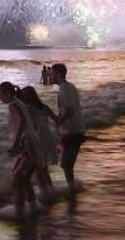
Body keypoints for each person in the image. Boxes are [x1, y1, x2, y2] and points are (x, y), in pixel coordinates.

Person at [0, 81, 40, 218]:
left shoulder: (13, 105)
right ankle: (32, 209)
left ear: (8, 93)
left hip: (25, 144)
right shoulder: (19, 103)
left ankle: (20, 212)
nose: (0, 97)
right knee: (24, 179)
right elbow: (29, 123)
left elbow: (21, 120)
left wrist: (16, 142)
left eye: (1, 94)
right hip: (30, 143)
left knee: (18, 179)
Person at [51, 62, 86, 198]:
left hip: (72, 131)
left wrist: (59, 122)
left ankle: (71, 191)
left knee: (66, 164)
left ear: (59, 74)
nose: (50, 76)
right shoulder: (70, 87)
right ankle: (72, 188)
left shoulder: (64, 88)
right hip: (75, 129)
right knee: (67, 164)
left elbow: (69, 110)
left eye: (52, 73)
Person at [16, 85, 59, 191]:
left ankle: (45, 192)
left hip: (37, 139)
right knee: (43, 168)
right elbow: (56, 119)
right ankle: (49, 190)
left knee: (39, 169)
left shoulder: (28, 108)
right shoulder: (44, 107)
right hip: (48, 138)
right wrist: (59, 134)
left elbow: (33, 126)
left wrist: (24, 140)